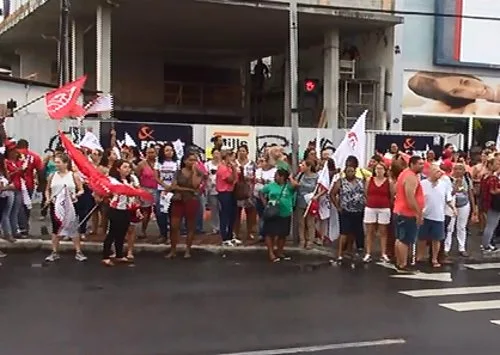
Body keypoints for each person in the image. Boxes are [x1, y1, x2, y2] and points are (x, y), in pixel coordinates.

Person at [44, 154, 87, 262]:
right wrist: (48, 198)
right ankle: (54, 251)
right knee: (56, 228)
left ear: (65, 163)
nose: (56, 164)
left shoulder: (74, 176)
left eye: (58, 162)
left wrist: (76, 195)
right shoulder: (52, 176)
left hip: (70, 205)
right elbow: (47, 190)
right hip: (55, 205)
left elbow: (81, 189)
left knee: (73, 227)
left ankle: (78, 252)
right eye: (56, 162)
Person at [102, 160, 140, 266]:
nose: (128, 169)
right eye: (125, 167)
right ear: (118, 168)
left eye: (129, 167)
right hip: (115, 209)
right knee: (113, 233)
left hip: (126, 209)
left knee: (122, 233)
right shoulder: (112, 180)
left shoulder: (129, 179)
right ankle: (105, 256)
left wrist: (136, 208)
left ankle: (119, 254)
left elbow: (133, 195)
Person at [416, 165, 455, 268]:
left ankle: (434, 258)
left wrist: (453, 208)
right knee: (422, 237)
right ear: (431, 172)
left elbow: (448, 198)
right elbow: (418, 199)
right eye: (437, 172)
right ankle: (420, 256)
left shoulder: (444, 184)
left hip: (439, 215)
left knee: (437, 239)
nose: (440, 174)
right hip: (425, 215)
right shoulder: (422, 184)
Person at [168, 151, 203, 259]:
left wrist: (194, 171)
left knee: (190, 226)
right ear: (184, 161)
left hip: (191, 200)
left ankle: (188, 250)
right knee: (174, 226)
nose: (192, 162)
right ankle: (173, 250)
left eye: (194, 160)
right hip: (178, 200)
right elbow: (174, 186)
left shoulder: (198, 173)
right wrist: (188, 189)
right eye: (190, 160)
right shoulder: (178, 172)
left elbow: (195, 185)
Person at [393, 156, 425, 272]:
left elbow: (395, 188)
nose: (422, 166)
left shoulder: (404, 173)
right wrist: (418, 213)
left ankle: (399, 262)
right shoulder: (411, 177)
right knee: (404, 240)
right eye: (420, 164)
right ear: (412, 164)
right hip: (406, 213)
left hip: (399, 210)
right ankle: (402, 264)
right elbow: (410, 197)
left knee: (400, 238)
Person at [331, 163, 366, 261]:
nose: (350, 173)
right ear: (345, 172)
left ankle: (350, 251)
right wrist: (337, 207)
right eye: (348, 171)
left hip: (358, 211)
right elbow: (332, 194)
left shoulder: (360, 181)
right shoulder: (340, 182)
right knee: (344, 233)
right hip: (345, 211)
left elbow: (365, 194)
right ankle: (340, 253)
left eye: (352, 171)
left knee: (354, 232)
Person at [260, 169, 297, 262]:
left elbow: (296, 185)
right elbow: (261, 192)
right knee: (270, 232)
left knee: (283, 234)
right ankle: (271, 253)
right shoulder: (271, 185)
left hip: (285, 212)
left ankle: (280, 251)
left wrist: (290, 177)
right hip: (272, 212)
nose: (275, 177)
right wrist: (265, 203)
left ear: (282, 177)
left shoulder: (288, 186)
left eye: (277, 175)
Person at [363, 162, 393, 263]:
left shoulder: (389, 181)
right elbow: (366, 192)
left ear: (385, 171)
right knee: (369, 231)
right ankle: (368, 253)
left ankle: (383, 253)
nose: (379, 171)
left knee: (383, 231)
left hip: (384, 208)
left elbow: (391, 195)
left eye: (381, 169)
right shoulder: (369, 180)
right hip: (370, 207)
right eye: (377, 169)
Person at [445, 163, 476, 257]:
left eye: (460, 169)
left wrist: (474, 209)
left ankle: (462, 248)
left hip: (464, 205)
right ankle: (446, 248)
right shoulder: (448, 180)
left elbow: (470, 194)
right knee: (450, 227)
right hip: (452, 205)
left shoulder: (467, 179)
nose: (458, 171)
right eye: (456, 169)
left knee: (461, 227)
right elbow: (449, 194)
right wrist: (456, 186)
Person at [16, 139, 43, 237]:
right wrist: (41, 185)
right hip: (29, 184)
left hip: (17, 183)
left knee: (18, 206)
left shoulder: (14, 155)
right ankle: (24, 226)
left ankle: (21, 227)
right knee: (26, 206)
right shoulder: (34, 156)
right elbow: (40, 171)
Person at [135, 145, 161, 239]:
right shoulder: (141, 164)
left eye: (152, 152)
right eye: (148, 152)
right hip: (145, 189)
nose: (151, 154)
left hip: (158, 189)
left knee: (159, 211)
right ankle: (143, 231)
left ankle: (162, 232)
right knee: (146, 210)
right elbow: (137, 177)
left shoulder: (159, 164)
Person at [154, 143, 178, 244]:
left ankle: (171, 236)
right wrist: (164, 186)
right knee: (160, 213)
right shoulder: (159, 163)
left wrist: (171, 186)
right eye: (167, 150)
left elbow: (177, 176)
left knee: (172, 213)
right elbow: (156, 177)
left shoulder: (177, 163)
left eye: (171, 150)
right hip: (161, 190)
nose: (169, 152)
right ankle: (163, 233)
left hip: (173, 190)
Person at [234, 144, 257, 242]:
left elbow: (256, 175)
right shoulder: (234, 163)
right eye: (240, 150)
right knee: (236, 212)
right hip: (237, 189)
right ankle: (236, 232)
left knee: (250, 212)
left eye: (244, 151)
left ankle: (250, 232)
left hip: (249, 190)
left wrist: (249, 178)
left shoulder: (252, 164)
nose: (242, 152)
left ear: (247, 152)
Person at [216, 150, 239, 247]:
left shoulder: (229, 167)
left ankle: (230, 235)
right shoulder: (222, 168)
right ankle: (224, 237)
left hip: (231, 192)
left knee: (232, 215)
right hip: (224, 192)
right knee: (225, 215)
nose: (234, 159)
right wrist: (234, 169)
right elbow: (230, 180)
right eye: (232, 157)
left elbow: (235, 179)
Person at [295, 160, 319, 249]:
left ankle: (310, 241)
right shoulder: (300, 175)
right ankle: (302, 240)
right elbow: (296, 184)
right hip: (300, 200)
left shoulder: (316, 176)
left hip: (310, 202)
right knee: (301, 223)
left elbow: (318, 188)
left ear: (308, 167)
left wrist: (316, 196)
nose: (301, 166)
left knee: (310, 223)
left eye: (303, 165)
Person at [205, 147, 221, 234]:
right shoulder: (207, 164)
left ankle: (222, 226)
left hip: (222, 190)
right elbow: (205, 175)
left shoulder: (223, 164)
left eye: (218, 153)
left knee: (222, 208)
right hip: (212, 189)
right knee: (214, 208)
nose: (216, 155)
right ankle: (215, 227)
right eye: (215, 153)